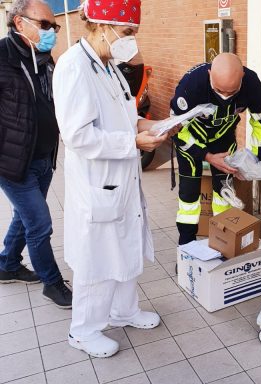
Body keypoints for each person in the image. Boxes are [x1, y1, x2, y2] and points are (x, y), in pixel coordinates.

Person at [53, 0, 176, 358]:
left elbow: (126, 117)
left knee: (125, 246)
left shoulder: (110, 66)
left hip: (121, 178)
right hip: (98, 181)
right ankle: (84, 330)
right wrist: (132, 142)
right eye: (127, 32)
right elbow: (77, 136)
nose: (131, 41)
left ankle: (124, 311)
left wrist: (153, 126)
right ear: (101, 26)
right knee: (97, 258)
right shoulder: (74, 67)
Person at [0, 0, 72, 308]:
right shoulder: (2, 57)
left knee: (26, 216)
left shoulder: (45, 58)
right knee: (40, 223)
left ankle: (7, 264)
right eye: (45, 25)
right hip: (13, 163)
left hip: (44, 157)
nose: (52, 32)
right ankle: (52, 283)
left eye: (54, 26)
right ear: (19, 22)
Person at [171, 53, 261, 245]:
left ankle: (223, 241)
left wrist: (255, 161)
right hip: (192, 139)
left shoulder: (252, 84)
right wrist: (206, 156)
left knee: (223, 192)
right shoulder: (191, 85)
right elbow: (177, 131)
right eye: (219, 91)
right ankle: (186, 245)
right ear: (210, 74)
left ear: (242, 76)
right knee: (189, 196)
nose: (225, 98)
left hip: (224, 139)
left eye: (231, 92)